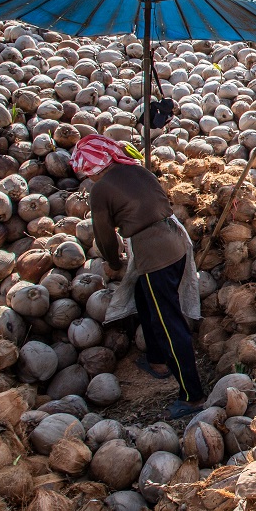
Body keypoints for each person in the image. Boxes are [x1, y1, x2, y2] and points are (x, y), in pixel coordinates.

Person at [70, 134, 206, 418]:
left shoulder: (101, 190)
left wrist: (113, 261)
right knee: (146, 301)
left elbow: (104, 234)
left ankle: (193, 396)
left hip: (155, 254)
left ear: (92, 168)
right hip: (174, 240)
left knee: (169, 321)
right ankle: (157, 361)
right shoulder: (137, 169)